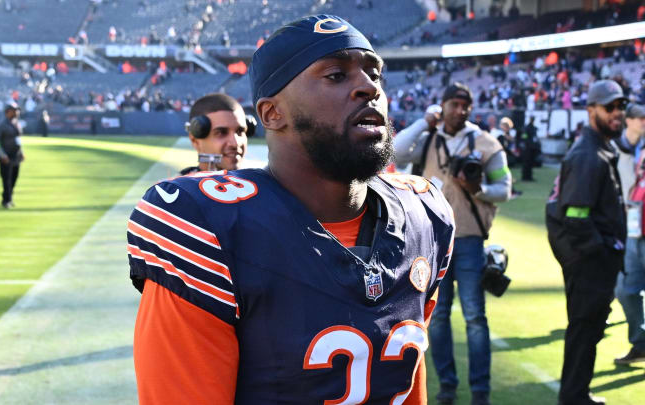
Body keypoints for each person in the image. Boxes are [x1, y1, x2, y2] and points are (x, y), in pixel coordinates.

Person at [127, 15, 455, 404]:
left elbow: (409, 385)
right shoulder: (208, 227)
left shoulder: (424, 215)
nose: (369, 88)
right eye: (336, 75)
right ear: (271, 114)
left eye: (374, 73)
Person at [394, 82, 512, 405]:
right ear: (442, 106)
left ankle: (480, 391)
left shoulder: (486, 142)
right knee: (440, 315)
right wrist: (423, 122)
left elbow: (505, 187)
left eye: (465, 105)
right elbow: (396, 151)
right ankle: (447, 386)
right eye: (454, 104)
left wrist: (478, 189)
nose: (460, 110)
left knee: (475, 316)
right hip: (432, 240)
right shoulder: (428, 138)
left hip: (471, 238)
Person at [545, 80, 628, 405]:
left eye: (620, 106)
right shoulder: (588, 155)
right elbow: (576, 216)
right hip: (589, 263)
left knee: (589, 330)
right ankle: (574, 397)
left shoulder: (600, 148)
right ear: (591, 109)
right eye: (610, 107)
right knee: (584, 331)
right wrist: (604, 250)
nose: (617, 113)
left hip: (591, 261)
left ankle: (577, 393)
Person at [614, 103, 645, 366]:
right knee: (624, 290)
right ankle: (641, 342)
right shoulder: (618, 148)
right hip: (632, 228)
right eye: (641, 117)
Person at [180, 93, 252, 175]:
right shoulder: (178, 187)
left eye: (240, 132)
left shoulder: (260, 183)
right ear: (195, 141)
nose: (235, 143)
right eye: (221, 132)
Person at [0, 102, 24, 209]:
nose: (17, 112)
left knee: (14, 178)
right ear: (8, 112)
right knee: (6, 179)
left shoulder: (17, 123)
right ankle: (7, 200)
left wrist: (21, 152)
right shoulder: (2, 125)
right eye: (14, 110)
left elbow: (18, 140)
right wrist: (2, 155)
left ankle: (8, 197)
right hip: (5, 156)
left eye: (17, 110)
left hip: (15, 155)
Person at [520, 116, 538, 181]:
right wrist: (527, 143)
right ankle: (525, 177)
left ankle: (529, 176)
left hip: (532, 148)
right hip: (527, 148)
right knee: (526, 163)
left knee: (530, 163)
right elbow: (524, 137)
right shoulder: (527, 128)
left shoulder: (533, 128)